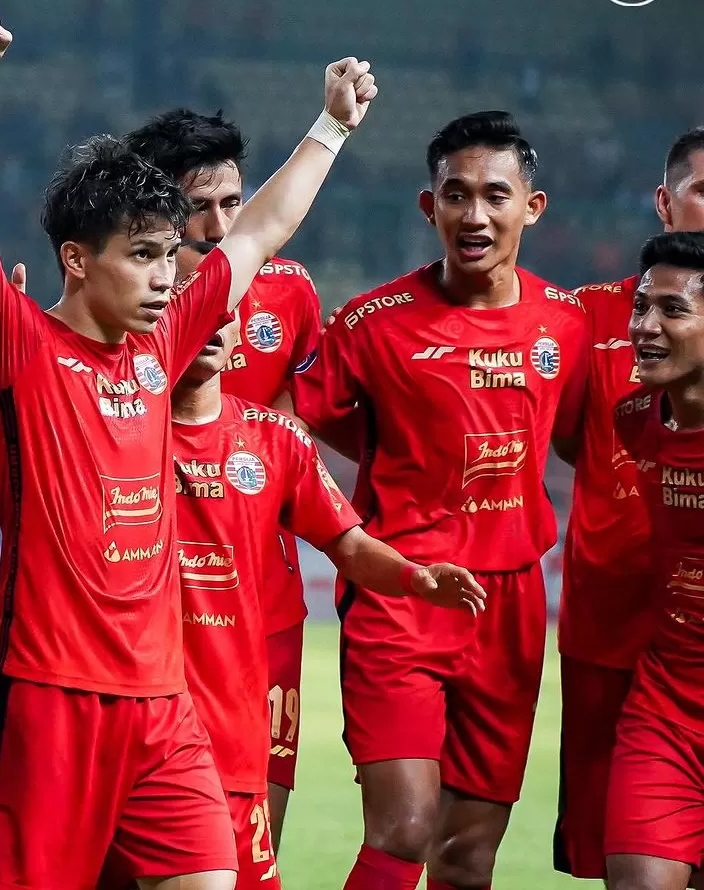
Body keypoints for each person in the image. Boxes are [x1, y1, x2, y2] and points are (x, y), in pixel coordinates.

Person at [0, 13, 376, 890]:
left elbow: (257, 234)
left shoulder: (162, 344)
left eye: (171, 256)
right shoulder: (18, 350)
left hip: (164, 709)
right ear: (77, 260)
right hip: (47, 700)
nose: (169, 277)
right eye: (143, 257)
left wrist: (330, 128)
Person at [283, 110, 589, 890]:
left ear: (533, 206)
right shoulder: (371, 324)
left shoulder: (568, 323)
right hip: (401, 594)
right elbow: (292, 428)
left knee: (468, 856)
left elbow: (585, 435)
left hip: (510, 604)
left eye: (495, 195)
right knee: (405, 830)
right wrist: (373, 495)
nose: (475, 215)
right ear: (430, 208)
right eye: (456, 195)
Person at [168, 258, 486, 890]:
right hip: (134, 708)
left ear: (237, 334)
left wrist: (412, 578)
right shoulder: (112, 426)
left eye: (222, 314)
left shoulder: (274, 439)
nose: (210, 325)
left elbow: (348, 542)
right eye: (190, 308)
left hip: (234, 723)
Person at [123, 110, 323, 849]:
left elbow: (285, 429)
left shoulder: (290, 293)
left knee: (257, 827)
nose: (215, 224)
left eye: (231, 204)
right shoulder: (121, 304)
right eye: (195, 205)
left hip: (259, 599)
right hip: (149, 607)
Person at [553, 126, 704, 883]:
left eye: (669, 312)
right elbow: (566, 438)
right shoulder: (596, 334)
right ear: (664, 201)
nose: (648, 327)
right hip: (625, 650)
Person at [606, 231, 704, 890]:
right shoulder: (635, 416)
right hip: (665, 714)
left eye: (672, 310)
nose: (645, 326)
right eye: (642, 306)